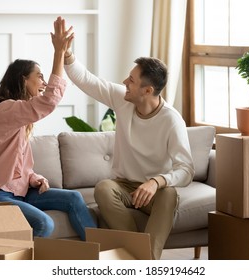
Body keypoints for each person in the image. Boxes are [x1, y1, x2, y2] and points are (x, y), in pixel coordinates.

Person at [63, 27, 195, 259]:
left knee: (169, 194)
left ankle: (141, 262)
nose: (125, 81)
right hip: (123, 186)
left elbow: (186, 170)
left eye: (131, 80)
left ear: (147, 90)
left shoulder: (171, 120)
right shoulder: (122, 99)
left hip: (155, 192)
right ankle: (140, 259)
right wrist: (67, 54)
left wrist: (156, 181)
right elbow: (87, 80)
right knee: (104, 187)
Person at [0, 16, 96, 241]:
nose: (44, 83)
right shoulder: (5, 109)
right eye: (39, 77)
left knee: (74, 198)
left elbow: (17, 166)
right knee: (44, 223)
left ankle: (103, 253)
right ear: (22, 81)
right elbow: (49, 101)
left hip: (20, 193)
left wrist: (34, 178)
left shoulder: (18, 119)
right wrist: (59, 52)